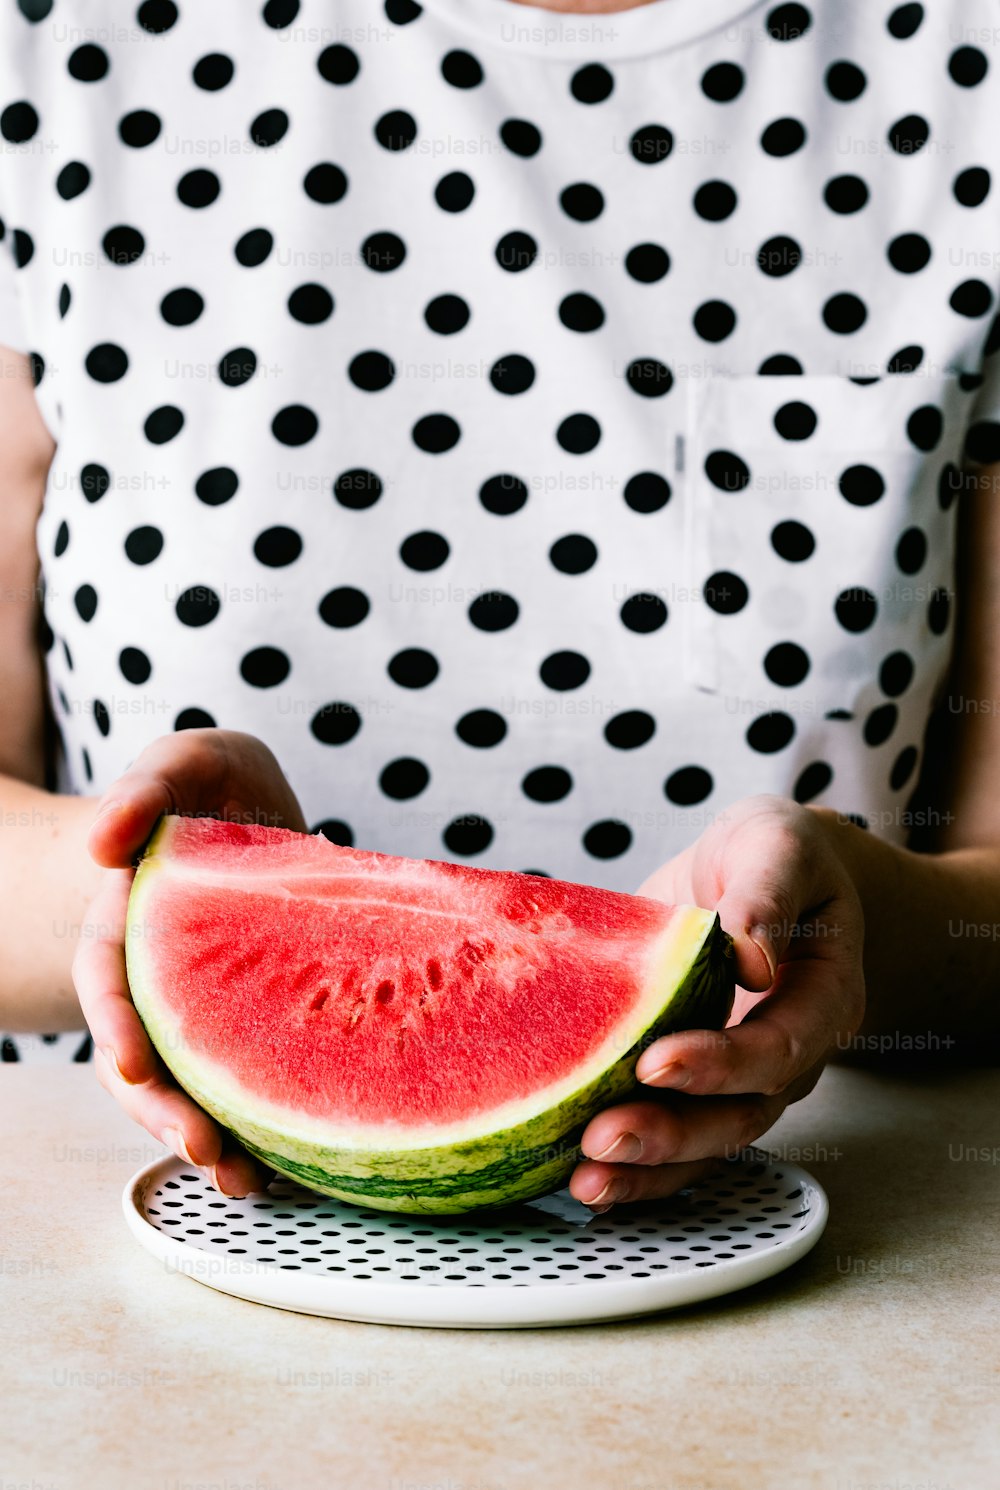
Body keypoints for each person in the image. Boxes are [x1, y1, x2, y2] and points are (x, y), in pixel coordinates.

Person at [0, 0, 997, 1209]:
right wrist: (154, 882)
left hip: (839, 1268)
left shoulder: (964, 62)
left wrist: (849, 920)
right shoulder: (54, 46)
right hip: (140, 1283)